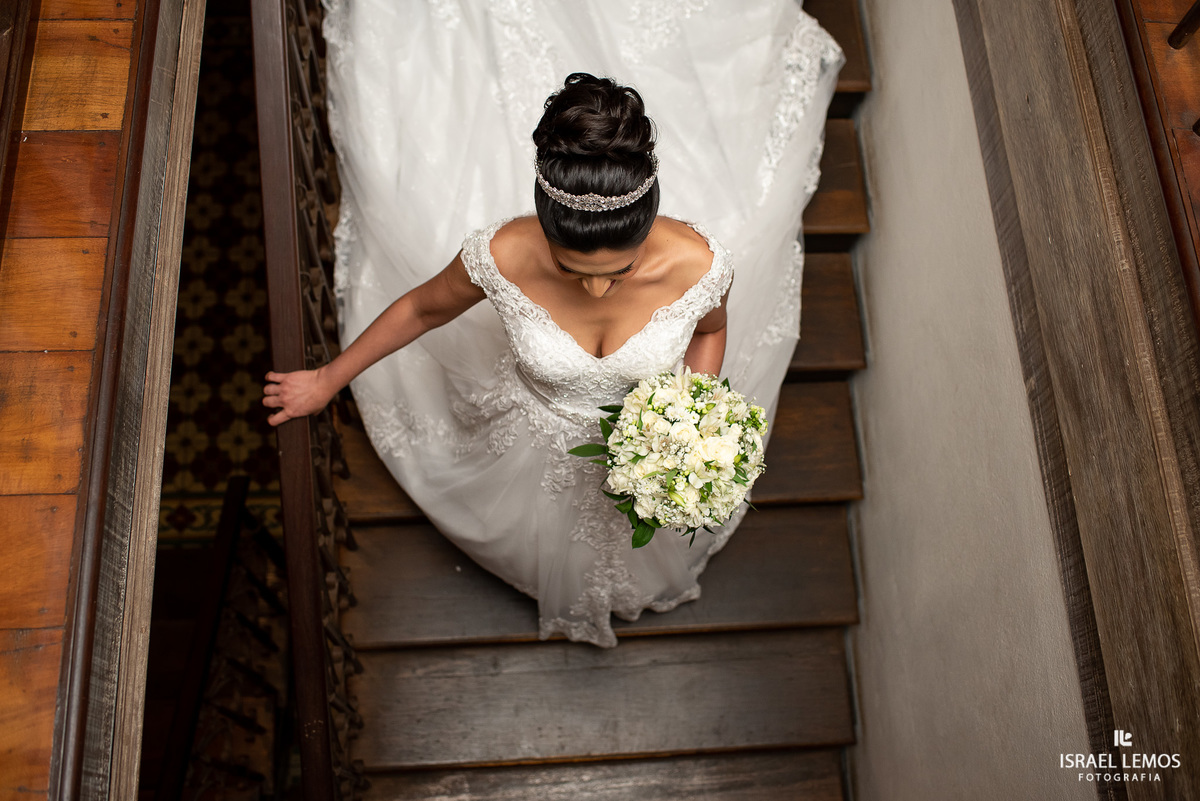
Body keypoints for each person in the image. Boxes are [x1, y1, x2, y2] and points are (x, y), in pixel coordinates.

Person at [264, 1, 845, 647]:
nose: (596, 288)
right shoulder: (504, 252)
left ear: (647, 226)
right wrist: (326, 379)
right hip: (530, 436)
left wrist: (693, 409)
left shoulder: (701, 265)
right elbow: (421, 309)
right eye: (574, 271)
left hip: (645, 443)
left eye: (617, 273)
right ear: (545, 227)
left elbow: (708, 332)